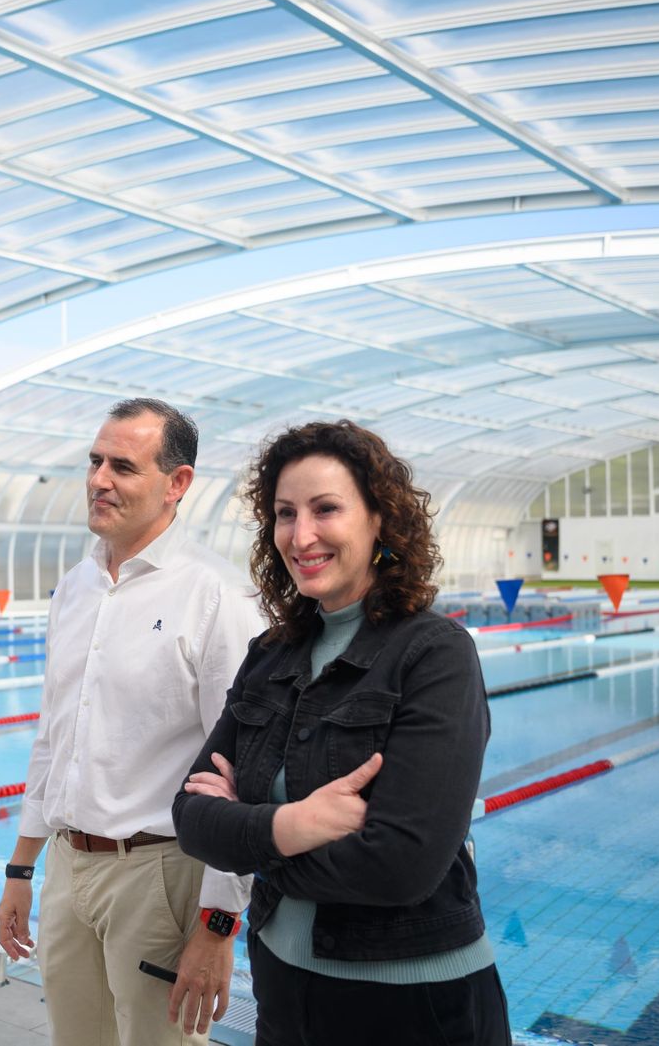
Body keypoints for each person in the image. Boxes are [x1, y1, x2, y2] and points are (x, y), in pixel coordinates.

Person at [172, 421, 510, 1045]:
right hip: (282, 989)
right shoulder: (270, 654)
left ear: (380, 519)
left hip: (414, 1004)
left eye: (326, 509)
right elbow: (190, 816)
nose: (301, 536)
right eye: (285, 513)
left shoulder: (434, 654)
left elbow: (402, 867)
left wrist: (249, 839)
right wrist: (295, 825)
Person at [0, 398, 265, 1045]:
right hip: (68, 866)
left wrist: (218, 925)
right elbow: (53, 738)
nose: (99, 480)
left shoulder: (217, 596)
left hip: (159, 876)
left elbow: (243, 772)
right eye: (95, 462)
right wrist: (21, 868)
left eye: (122, 466)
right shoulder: (74, 587)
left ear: (177, 483)